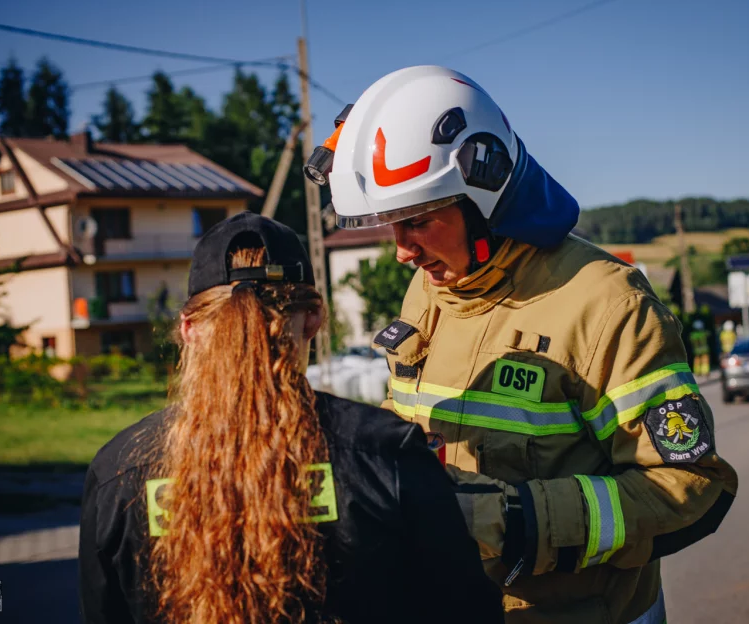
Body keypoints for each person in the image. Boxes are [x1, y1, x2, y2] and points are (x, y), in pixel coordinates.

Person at [305, 66, 738, 623]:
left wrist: (518, 521)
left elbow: (690, 487)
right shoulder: (432, 286)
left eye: (416, 221)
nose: (402, 251)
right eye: (391, 224)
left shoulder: (607, 305)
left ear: (483, 193)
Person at [78, 212, 503, 624]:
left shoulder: (119, 471)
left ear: (189, 328)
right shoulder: (387, 454)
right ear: (313, 318)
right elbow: (464, 608)